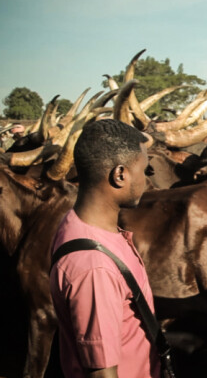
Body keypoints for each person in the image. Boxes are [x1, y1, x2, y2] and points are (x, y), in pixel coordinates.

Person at [49, 119, 160, 378]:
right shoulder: (94, 267)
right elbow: (102, 373)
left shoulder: (77, 224)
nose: (147, 180)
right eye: (145, 170)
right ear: (120, 174)